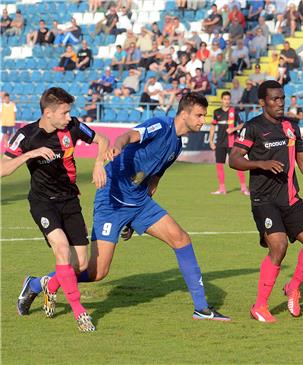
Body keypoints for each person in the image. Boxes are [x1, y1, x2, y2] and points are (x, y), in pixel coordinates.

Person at [26, 92, 230, 322]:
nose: (203, 120)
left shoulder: (176, 145)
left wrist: (136, 217)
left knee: (181, 238)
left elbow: (154, 178)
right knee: (97, 272)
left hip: (139, 203)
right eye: (199, 115)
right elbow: (128, 136)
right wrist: (118, 148)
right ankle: (38, 283)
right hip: (112, 199)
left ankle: (201, 309)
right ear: (184, 114)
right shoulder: (160, 125)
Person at [229, 80, 303, 323]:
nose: (280, 103)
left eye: (282, 98)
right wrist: (260, 163)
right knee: (278, 246)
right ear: (262, 102)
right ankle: (259, 306)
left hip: (290, 198)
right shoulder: (253, 128)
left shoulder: (292, 127)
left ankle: (293, 287)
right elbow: (234, 159)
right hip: (264, 200)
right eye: (274, 99)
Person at [4, 88, 109, 332]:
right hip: (43, 202)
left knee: (80, 264)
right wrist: (30, 154)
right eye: (64, 112)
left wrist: (98, 163)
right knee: (62, 250)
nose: (69, 116)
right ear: (48, 113)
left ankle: (40, 285)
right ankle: (80, 313)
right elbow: (3, 168)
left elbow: (101, 140)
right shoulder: (26, 135)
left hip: (70, 200)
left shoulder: (72, 126)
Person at [208, 91, 249, 196]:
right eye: (225, 99)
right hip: (220, 143)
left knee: (237, 165)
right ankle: (222, 189)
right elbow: (212, 127)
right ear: (221, 100)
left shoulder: (233, 111)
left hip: (232, 143)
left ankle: (244, 188)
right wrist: (211, 141)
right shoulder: (217, 112)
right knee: (219, 166)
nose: (226, 101)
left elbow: (242, 124)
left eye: (228, 99)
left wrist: (234, 129)